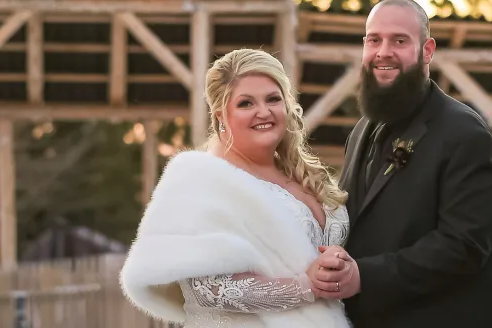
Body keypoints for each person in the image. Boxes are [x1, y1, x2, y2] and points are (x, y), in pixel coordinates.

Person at [314, 0, 492, 328]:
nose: (383, 52)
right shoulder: (361, 131)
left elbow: (464, 246)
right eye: (374, 40)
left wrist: (364, 276)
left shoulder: (465, 133)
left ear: (427, 50)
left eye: (399, 40)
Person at [120, 48, 353, 327]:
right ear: (221, 115)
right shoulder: (199, 181)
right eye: (246, 104)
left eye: (273, 99)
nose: (263, 112)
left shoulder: (310, 177)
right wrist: (307, 287)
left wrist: (343, 268)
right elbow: (208, 289)